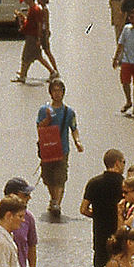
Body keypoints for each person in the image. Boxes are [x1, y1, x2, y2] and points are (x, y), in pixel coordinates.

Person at [37, 80, 83, 219]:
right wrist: (47, 119)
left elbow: (74, 128)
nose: (57, 93)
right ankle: (53, 199)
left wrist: (77, 142)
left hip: (62, 149)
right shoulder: (43, 110)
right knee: (48, 177)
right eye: (54, 91)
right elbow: (39, 127)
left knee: (60, 177)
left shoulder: (69, 112)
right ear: (50, 93)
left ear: (63, 92)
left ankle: (57, 203)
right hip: (47, 148)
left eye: (59, 90)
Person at [81, 150, 127, 267]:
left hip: (100, 235)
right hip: (119, 235)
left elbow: (83, 209)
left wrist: (97, 215)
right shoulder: (124, 185)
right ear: (117, 163)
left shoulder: (93, 183)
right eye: (123, 162)